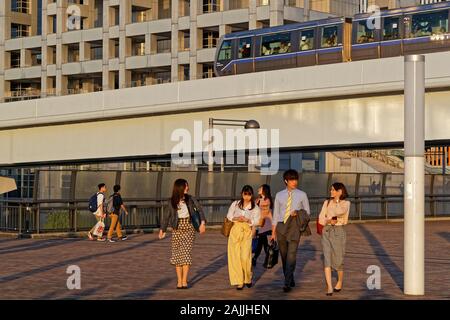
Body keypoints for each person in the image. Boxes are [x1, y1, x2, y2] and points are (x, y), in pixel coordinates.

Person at [159, 179, 206, 289]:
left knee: (186, 254)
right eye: (185, 186)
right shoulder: (171, 201)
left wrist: (202, 223)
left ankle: (184, 280)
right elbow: (166, 216)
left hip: (189, 227)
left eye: (187, 186)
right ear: (180, 188)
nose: (187, 188)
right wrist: (163, 230)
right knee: (177, 256)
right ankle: (179, 281)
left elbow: (200, 210)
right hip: (177, 229)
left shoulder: (190, 199)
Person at [270, 169, 310, 293]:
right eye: (292, 180)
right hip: (281, 227)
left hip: (294, 227)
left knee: (291, 255)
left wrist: (297, 213)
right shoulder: (279, 195)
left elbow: (308, 213)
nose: (294, 182)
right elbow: (275, 215)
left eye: (296, 179)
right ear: (286, 181)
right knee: (284, 256)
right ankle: (290, 276)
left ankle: (286, 283)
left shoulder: (302, 194)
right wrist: (273, 233)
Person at [318, 182, 350, 296]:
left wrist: (336, 201)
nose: (331, 191)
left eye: (333, 190)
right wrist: (328, 220)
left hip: (339, 232)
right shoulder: (326, 202)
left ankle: (340, 281)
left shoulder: (346, 203)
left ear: (340, 191)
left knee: (338, 261)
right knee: (327, 259)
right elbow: (321, 218)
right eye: (331, 189)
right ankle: (329, 287)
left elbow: (340, 212)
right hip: (326, 231)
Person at [227, 185, 261, 290]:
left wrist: (248, 220)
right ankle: (239, 281)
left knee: (245, 257)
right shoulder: (235, 204)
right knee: (235, 257)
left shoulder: (255, 207)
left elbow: (257, 221)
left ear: (251, 195)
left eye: (249, 195)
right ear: (242, 194)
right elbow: (229, 216)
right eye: (245, 194)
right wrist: (237, 218)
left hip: (247, 230)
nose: (247, 197)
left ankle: (248, 278)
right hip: (235, 229)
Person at [252, 184, 273, 267]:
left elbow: (265, 211)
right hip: (260, 224)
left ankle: (263, 259)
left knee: (262, 242)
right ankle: (262, 259)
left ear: (264, 190)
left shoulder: (267, 200)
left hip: (266, 224)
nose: (258, 189)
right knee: (262, 242)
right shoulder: (258, 200)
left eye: (260, 188)